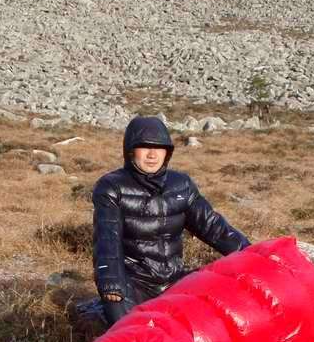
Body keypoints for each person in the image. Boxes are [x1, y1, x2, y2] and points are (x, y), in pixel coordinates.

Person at [92, 115, 250, 327]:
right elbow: (107, 240)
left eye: (158, 147)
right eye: (144, 147)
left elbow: (213, 227)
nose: (151, 155)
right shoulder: (112, 187)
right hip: (134, 282)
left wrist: (252, 255)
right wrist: (110, 281)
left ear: (167, 152)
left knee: (225, 307)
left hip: (175, 279)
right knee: (129, 331)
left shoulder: (181, 184)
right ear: (130, 150)